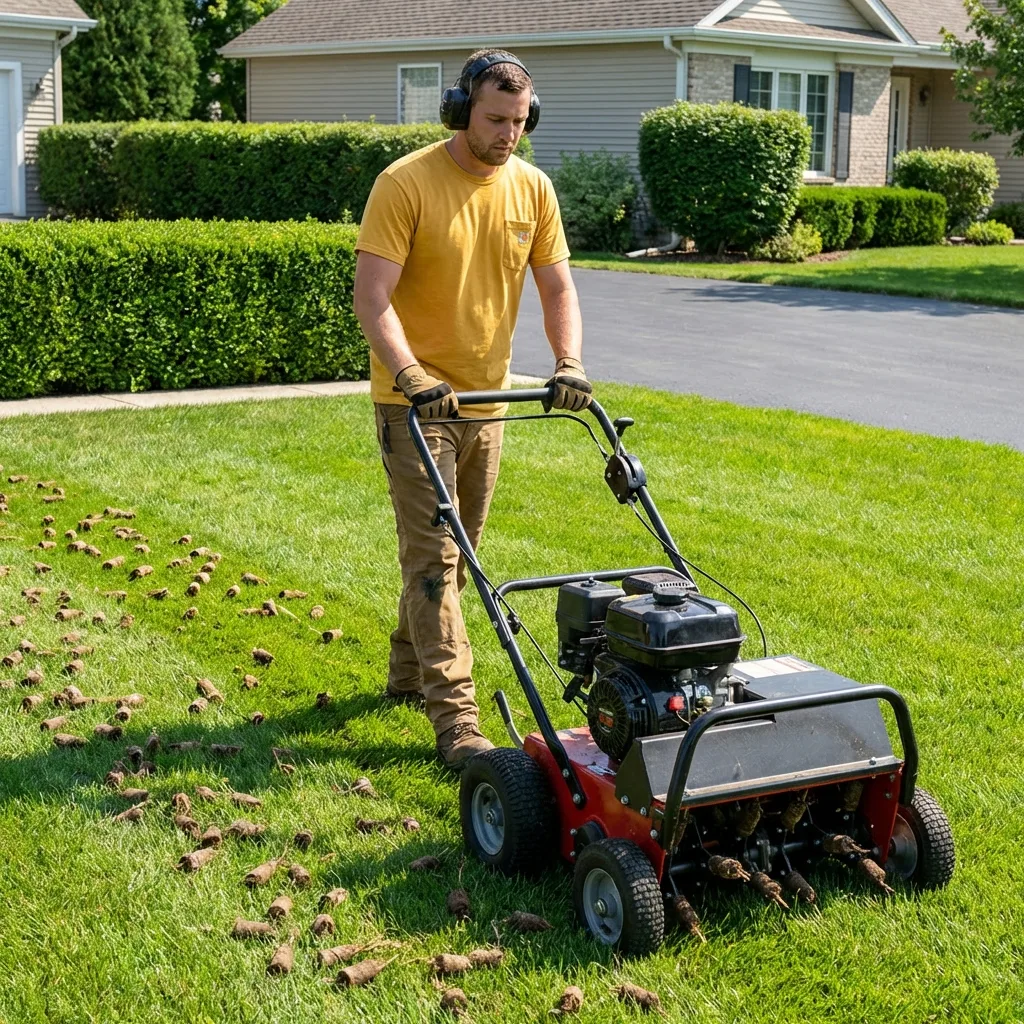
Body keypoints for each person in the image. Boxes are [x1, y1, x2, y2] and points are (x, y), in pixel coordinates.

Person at [352, 48, 592, 771]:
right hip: (414, 403)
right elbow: (372, 297)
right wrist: (411, 373)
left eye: (520, 121)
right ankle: (456, 721)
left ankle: (406, 672)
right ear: (460, 110)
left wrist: (568, 362)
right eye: (494, 120)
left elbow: (557, 288)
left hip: (487, 402)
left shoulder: (533, 189)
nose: (508, 134)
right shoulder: (405, 183)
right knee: (436, 556)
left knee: (457, 559)